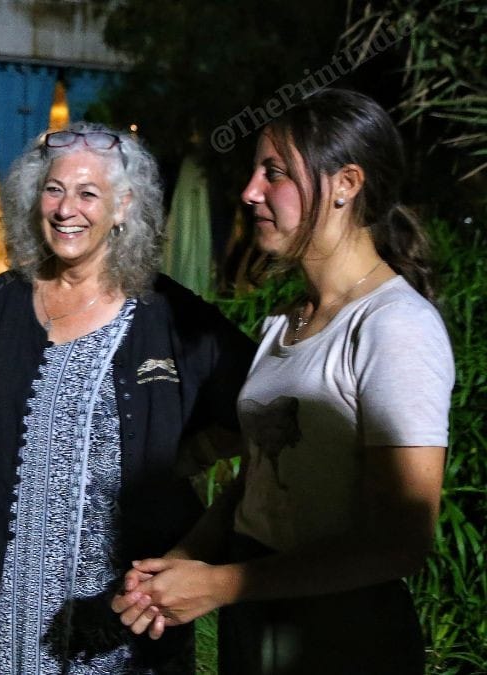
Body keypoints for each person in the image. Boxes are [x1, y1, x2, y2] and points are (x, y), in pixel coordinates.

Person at [112, 89, 454, 674]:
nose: (249, 192)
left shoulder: (394, 328)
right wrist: (181, 564)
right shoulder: (287, 324)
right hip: (262, 614)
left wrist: (224, 586)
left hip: (340, 633)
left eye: (275, 173)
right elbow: (265, 481)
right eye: (255, 172)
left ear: (346, 183)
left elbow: (400, 542)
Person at [0, 121, 254, 673]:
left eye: (87, 193)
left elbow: (260, 399)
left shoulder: (166, 313)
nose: (65, 209)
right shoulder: (2, 306)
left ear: (123, 207)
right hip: (12, 604)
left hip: (120, 611)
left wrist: (188, 458)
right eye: (54, 189)